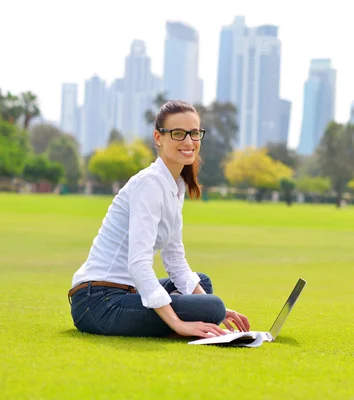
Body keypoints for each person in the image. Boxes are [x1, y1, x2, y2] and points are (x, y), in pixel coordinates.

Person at [68, 100, 250, 338]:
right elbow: (138, 263)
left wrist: (217, 309)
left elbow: (175, 260)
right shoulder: (149, 183)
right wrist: (180, 323)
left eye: (194, 133)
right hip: (98, 303)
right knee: (210, 307)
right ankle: (175, 323)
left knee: (203, 286)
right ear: (158, 137)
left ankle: (178, 316)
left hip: (128, 293)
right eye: (178, 134)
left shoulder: (175, 186)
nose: (188, 142)